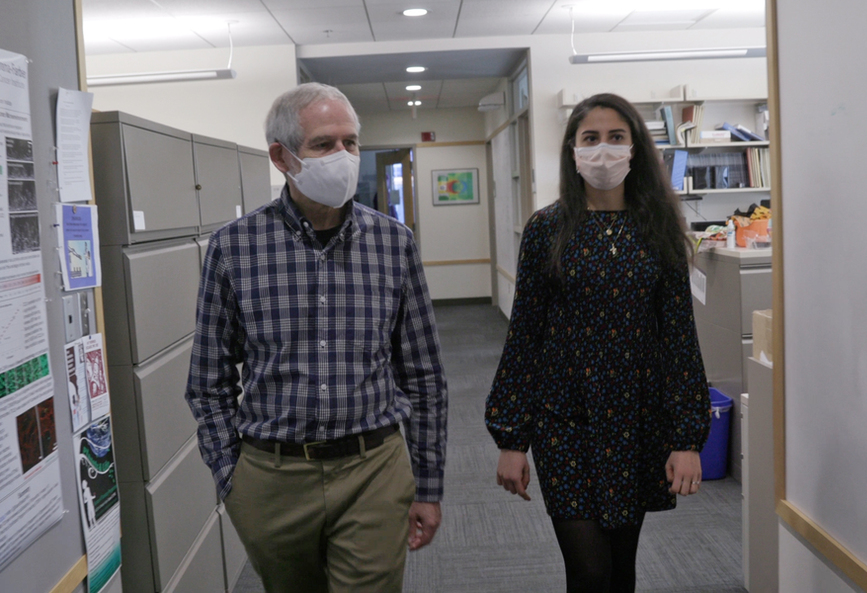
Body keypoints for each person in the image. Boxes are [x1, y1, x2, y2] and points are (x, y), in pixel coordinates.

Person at [185, 82, 448, 593]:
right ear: (282, 157)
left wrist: (430, 484)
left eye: (351, 142)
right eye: (324, 145)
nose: (344, 156)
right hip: (271, 477)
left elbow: (424, 375)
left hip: (373, 467)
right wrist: (231, 477)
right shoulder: (234, 248)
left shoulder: (394, 244)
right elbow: (208, 380)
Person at [485, 93, 711, 593]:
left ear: (636, 149)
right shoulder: (547, 229)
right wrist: (511, 438)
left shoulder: (661, 230)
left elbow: (678, 340)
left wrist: (687, 438)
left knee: (621, 567)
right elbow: (525, 336)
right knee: (589, 571)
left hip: (636, 419)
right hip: (563, 420)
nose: (603, 150)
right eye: (591, 138)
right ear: (572, 150)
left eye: (616, 137)